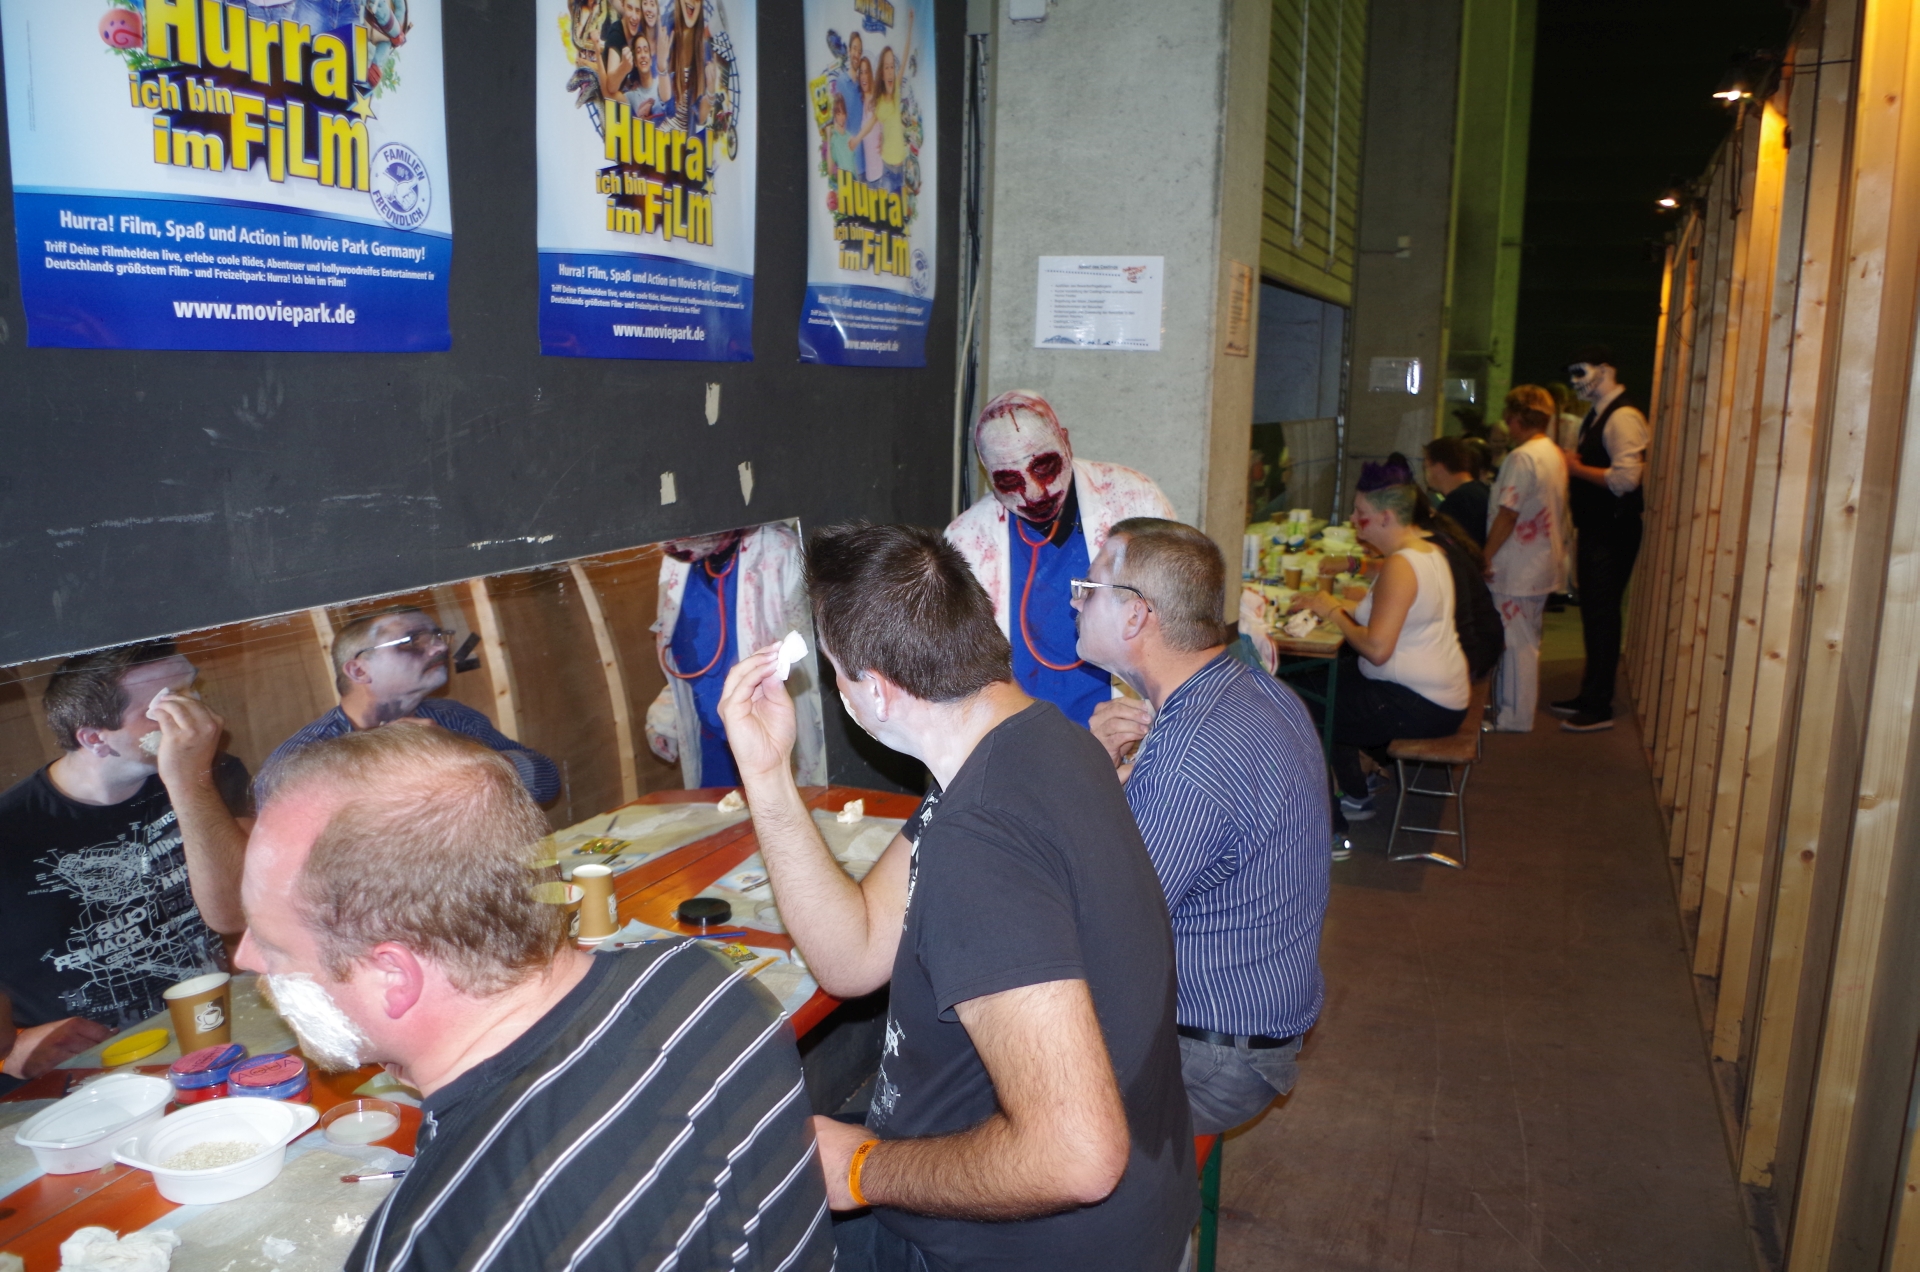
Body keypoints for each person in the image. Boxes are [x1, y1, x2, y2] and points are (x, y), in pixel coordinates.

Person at [716, 523, 1196, 1272]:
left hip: (1024, 1247)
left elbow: (1078, 1156)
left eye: (837, 674)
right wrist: (767, 774)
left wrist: (862, 1170)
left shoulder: (981, 841)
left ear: (876, 690)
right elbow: (852, 954)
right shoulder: (1033, 744)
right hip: (1117, 1214)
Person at [237, 726, 832, 1272]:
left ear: (394, 977)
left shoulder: (430, 1248)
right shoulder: (704, 977)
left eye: (273, 946)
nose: (243, 958)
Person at [1075, 518, 1330, 1135]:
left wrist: (1087, 782)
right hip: (1251, 1023)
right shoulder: (1252, 689)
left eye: (1089, 588)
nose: (1076, 601)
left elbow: (1105, 925)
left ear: (1135, 616)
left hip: (1212, 1058)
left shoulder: (1190, 752)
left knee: (993, 1074)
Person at [0, 641, 249, 1046]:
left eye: (193, 690)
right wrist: (13, 1048)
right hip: (90, 1057)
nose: (201, 717)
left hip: (214, 1025)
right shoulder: (10, 830)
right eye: (168, 705)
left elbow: (237, 913)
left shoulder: (209, 772)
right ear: (95, 739)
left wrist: (190, 782)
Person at [946, 390, 1176, 728]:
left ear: (1066, 442)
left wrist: (1150, 720)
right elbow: (958, 676)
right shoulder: (965, 542)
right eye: (1009, 480)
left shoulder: (1134, 499)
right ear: (987, 473)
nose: (1033, 493)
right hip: (1020, 740)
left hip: (1131, 733)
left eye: (1044, 467)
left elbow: (1178, 627)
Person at [1303, 463, 1473, 819]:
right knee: (1318, 684)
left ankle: (1337, 814)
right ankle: (1357, 785)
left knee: (1304, 703)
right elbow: (1391, 612)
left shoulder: (1401, 565)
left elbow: (1378, 650)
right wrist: (1330, 606)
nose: (1353, 519)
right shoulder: (1426, 550)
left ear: (1386, 517)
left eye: (1359, 512)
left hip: (1418, 704)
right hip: (1436, 694)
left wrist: (1333, 610)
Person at [259, 607, 560, 804]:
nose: (440, 647)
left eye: (438, 636)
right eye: (413, 640)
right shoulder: (302, 758)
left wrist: (462, 757)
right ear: (359, 670)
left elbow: (547, 781)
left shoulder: (453, 718)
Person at [645, 522, 827, 790]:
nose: (669, 543)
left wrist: (824, 756)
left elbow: (812, 664)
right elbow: (693, 655)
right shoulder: (677, 559)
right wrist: (668, 712)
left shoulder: (780, 550)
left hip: (772, 736)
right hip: (712, 746)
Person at [1554, 346, 1650, 732]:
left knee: (1603, 614)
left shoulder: (1622, 416)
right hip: (1599, 526)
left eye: (1581, 372)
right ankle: (1590, 694)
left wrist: (1576, 469)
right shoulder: (1599, 414)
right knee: (1595, 613)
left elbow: (1627, 480)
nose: (1575, 381)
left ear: (1606, 370)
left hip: (1612, 528)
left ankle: (1598, 704)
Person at [1484, 386, 1571, 733]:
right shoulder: (1552, 452)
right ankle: (1513, 712)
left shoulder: (1522, 458)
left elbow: (1508, 513)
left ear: (1516, 418)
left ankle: (1514, 717)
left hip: (1517, 566)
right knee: (1527, 640)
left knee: (1516, 643)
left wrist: (1484, 556)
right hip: (1540, 562)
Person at [848, 12, 913, 194]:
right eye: (886, 67)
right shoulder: (879, 102)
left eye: (892, 67)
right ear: (882, 74)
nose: (890, 71)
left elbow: (905, 57)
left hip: (900, 167)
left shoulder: (897, 89)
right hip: (887, 168)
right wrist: (857, 139)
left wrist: (910, 26)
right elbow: (870, 124)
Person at [1423, 435, 1490, 550]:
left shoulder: (1458, 501)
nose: (1425, 471)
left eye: (1426, 465)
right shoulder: (1479, 490)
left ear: (1439, 467)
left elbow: (1449, 549)